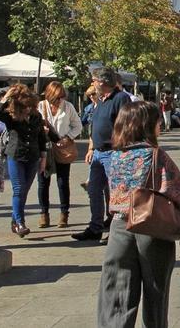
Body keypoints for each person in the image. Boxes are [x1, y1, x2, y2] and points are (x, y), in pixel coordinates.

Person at [98, 99, 180, 328]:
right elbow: (176, 192)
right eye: (157, 121)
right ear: (147, 125)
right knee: (156, 296)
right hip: (152, 228)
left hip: (119, 227)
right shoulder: (157, 155)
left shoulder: (116, 156)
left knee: (117, 298)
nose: (160, 125)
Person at [75, 68, 131, 242]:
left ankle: (116, 230)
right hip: (98, 153)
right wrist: (91, 148)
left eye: (93, 80)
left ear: (102, 82)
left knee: (116, 193)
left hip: (112, 153)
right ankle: (95, 227)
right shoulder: (101, 100)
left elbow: (126, 125)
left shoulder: (120, 98)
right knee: (94, 190)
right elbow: (96, 126)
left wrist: (120, 149)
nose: (92, 84)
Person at [0, 84, 48, 237]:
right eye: (26, 106)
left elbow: (41, 138)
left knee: (24, 191)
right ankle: (20, 223)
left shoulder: (37, 116)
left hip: (33, 156)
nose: (29, 109)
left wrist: (43, 158)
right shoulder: (11, 117)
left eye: (31, 106)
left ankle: (14, 220)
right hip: (16, 155)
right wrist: (7, 97)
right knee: (18, 189)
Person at [38, 81, 83, 228]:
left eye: (61, 97)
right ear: (50, 95)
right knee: (43, 182)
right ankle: (44, 214)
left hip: (62, 148)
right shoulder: (41, 106)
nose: (60, 100)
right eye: (57, 97)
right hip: (44, 148)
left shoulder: (68, 106)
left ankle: (64, 213)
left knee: (63, 181)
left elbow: (78, 126)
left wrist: (68, 137)